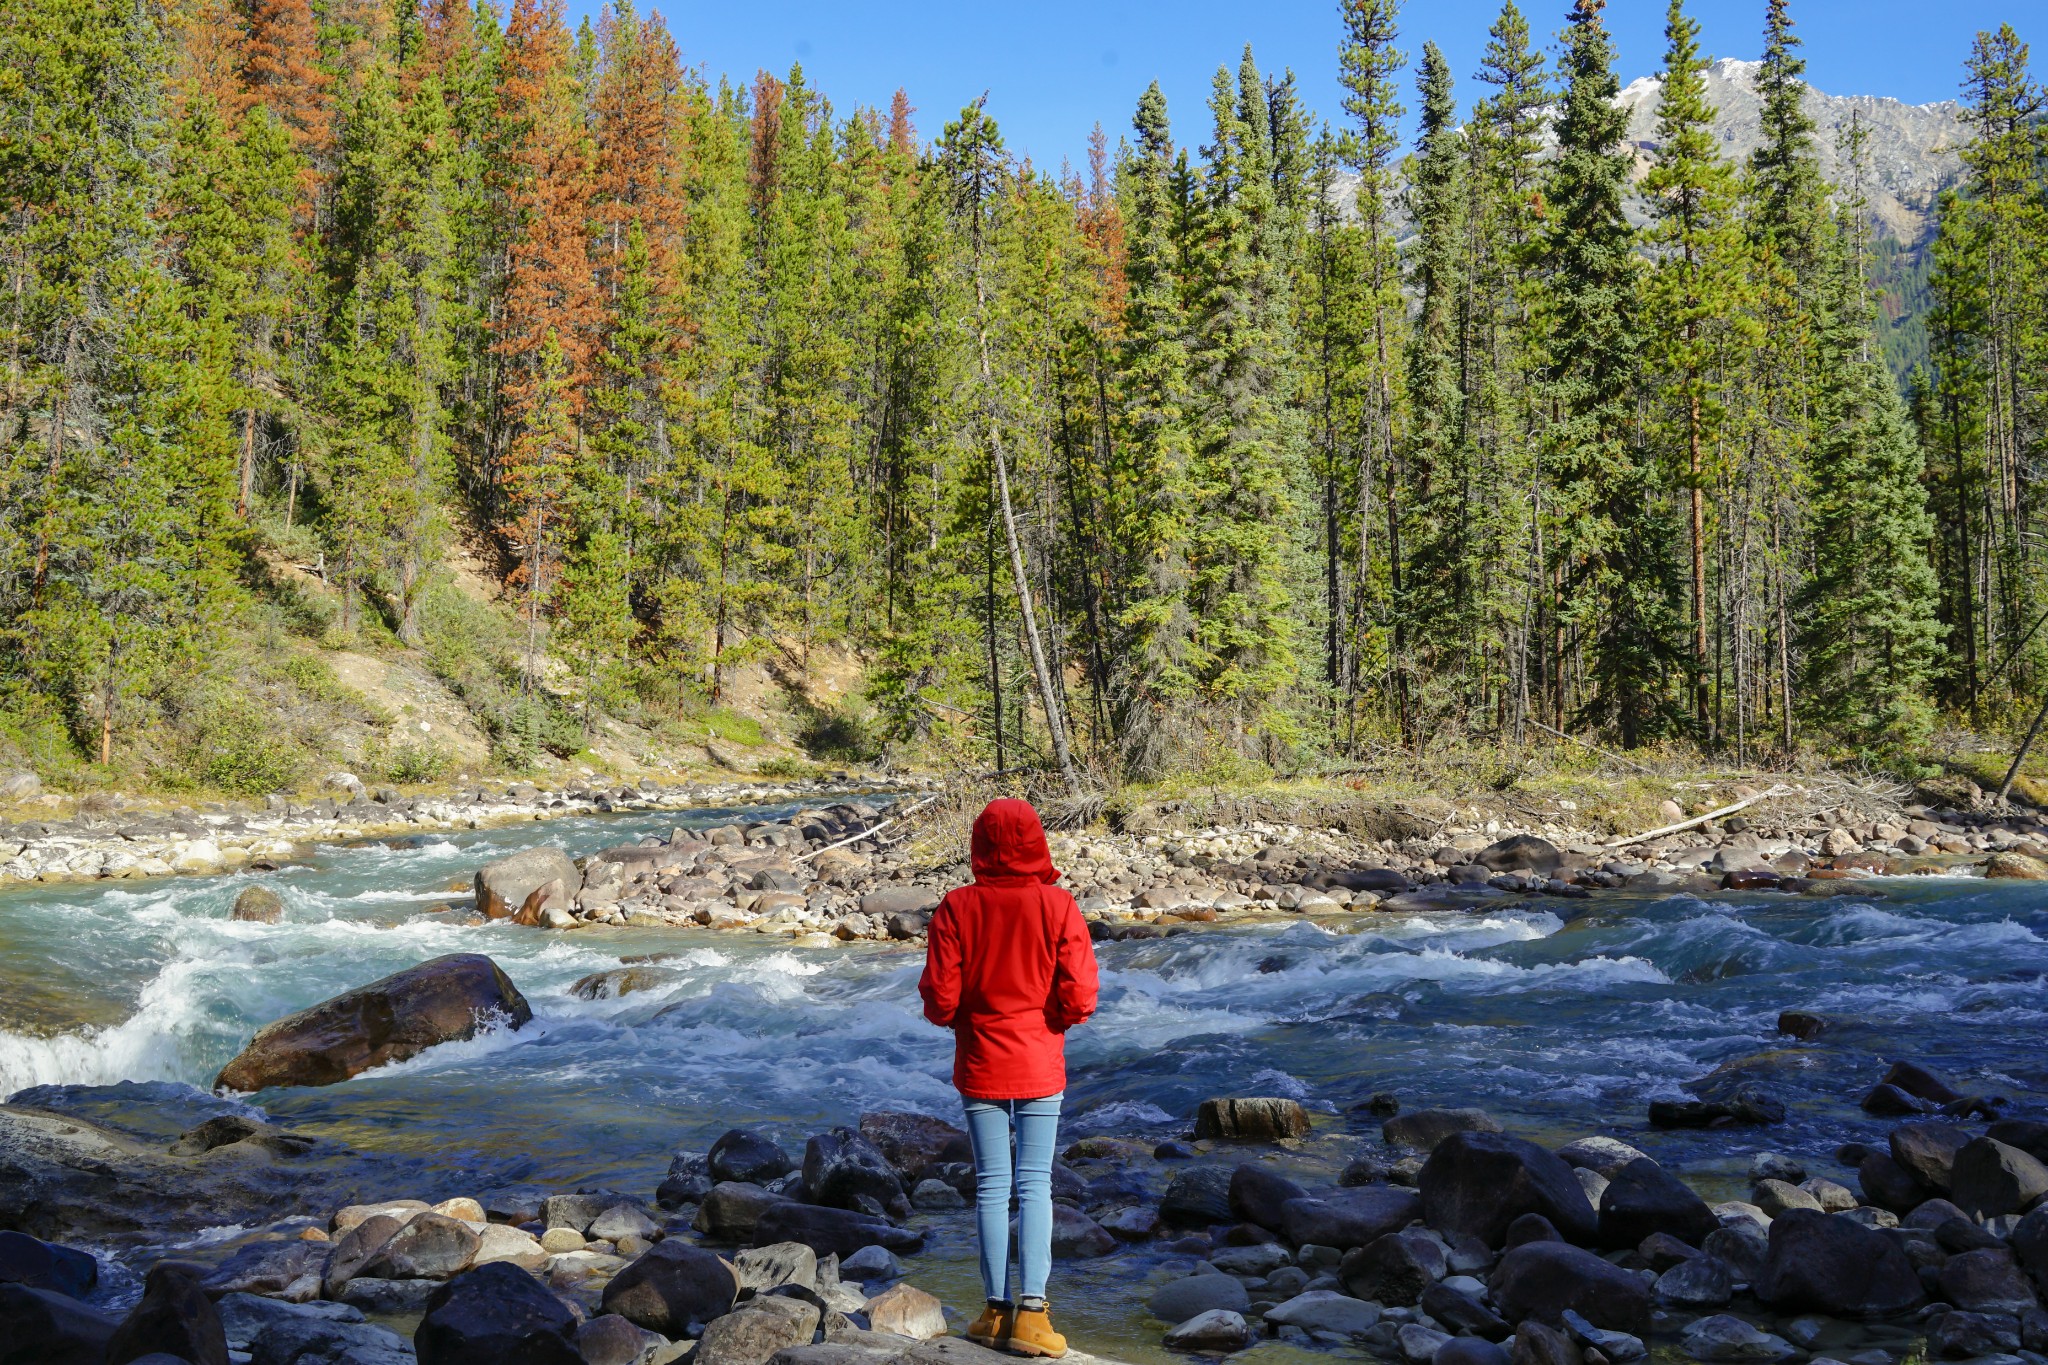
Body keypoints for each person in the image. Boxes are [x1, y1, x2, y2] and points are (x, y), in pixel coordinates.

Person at [919, 798, 1100, 1358]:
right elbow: (1080, 993)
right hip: (1040, 1061)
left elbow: (940, 1000)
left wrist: (965, 1014)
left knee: (993, 1187)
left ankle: (994, 1313)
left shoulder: (957, 906)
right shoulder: (1057, 904)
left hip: (980, 1063)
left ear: (979, 845)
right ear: (1035, 842)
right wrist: (1054, 1024)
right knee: (1036, 1184)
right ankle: (1034, 1316)